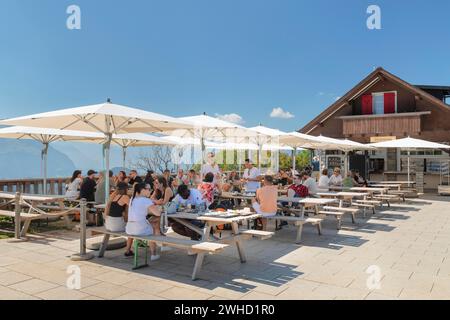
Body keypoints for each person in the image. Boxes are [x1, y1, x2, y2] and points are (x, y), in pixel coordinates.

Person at [125, 183, 162, 260]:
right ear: (142, 190)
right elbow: (157, 213)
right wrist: (159, 208)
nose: (150, 191)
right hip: (139, 229)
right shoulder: (145, 200)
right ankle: (154, 254)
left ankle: (128, 250)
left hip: (129, 228)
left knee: (151, 222)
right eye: (149, 189)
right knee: (154, 224)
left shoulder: (132, 199)